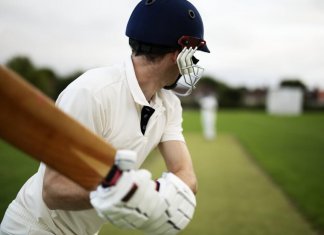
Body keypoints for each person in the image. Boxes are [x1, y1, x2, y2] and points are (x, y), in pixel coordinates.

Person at [0, 0, 210, 234]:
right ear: (179, 54)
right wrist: (128, 194)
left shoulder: (169, 104)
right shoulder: (92, 92)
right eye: (193, 56)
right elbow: (53, 191)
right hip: (35, 227)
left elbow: (186, 175)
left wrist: (149, 193)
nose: (191, 65)